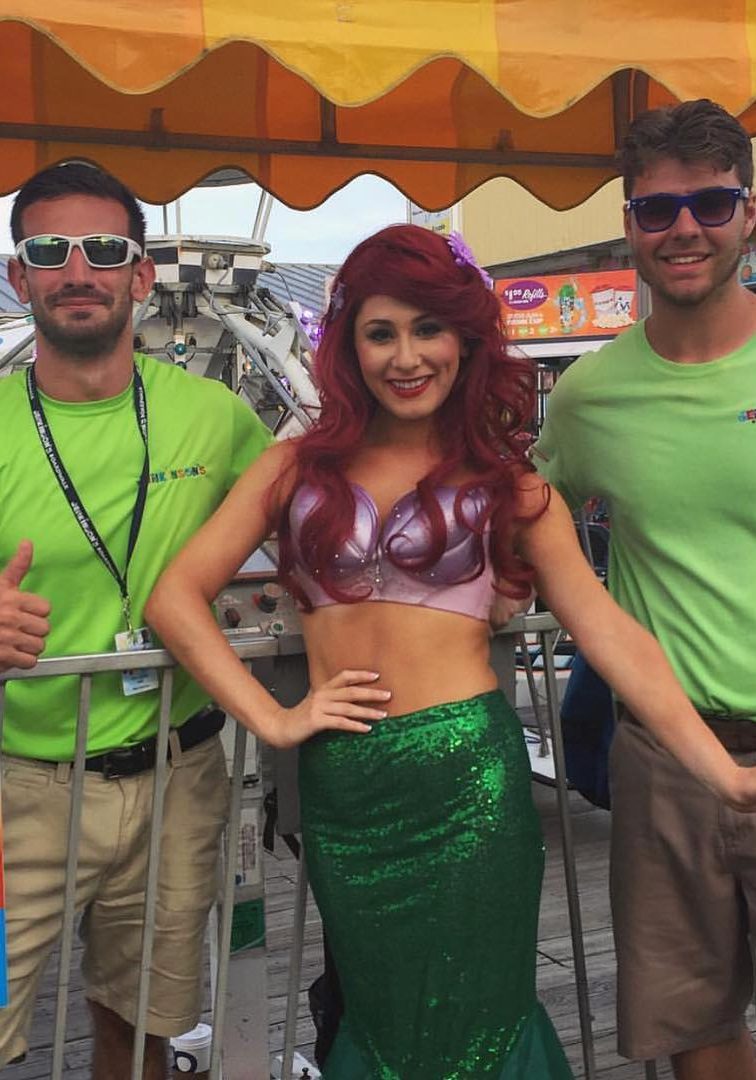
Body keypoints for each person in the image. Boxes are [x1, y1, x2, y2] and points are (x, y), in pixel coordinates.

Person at [146, 223, 756, 1080]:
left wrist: (725, 776)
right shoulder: (294, 470)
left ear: (465, 341)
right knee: (390, 1022)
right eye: (381, 332)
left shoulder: (511, 485)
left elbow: (613, 634)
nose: (407, 356)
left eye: (428, 328)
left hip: (472, 784)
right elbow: (175, 598)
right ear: (348, 345)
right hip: (348, 792)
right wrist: (275, 718)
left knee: (480, 1024)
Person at [0, 162, 272, 1078]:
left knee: (142, 1025)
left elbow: (335, 514)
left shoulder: (217, 417)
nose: (78, 269)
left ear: (140, 275)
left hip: (175, 776)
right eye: (49, 250)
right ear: (18, 276)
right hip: (16, 791)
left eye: (104, 249)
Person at [533, 98, 756, 1080]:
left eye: (712, 203)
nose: (685, 230)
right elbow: (518, 531)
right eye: (658, 210)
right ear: (628, 223)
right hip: (667, 754)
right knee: (693, 1033)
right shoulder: (588, 394)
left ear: (749, 211)